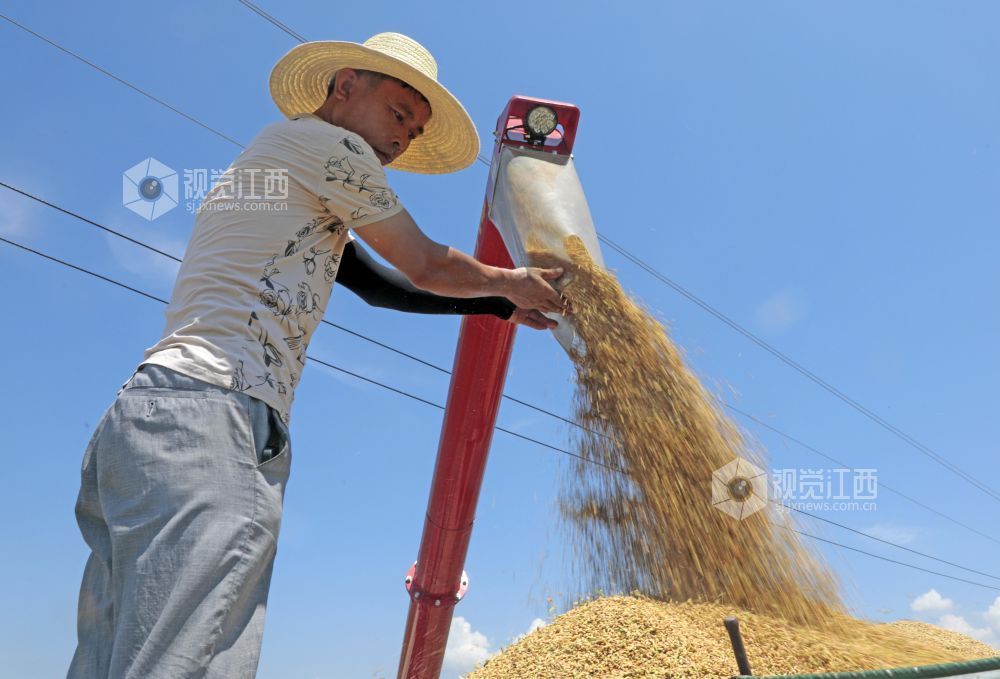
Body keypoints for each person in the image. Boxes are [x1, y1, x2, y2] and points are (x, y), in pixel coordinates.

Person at [69, 32, 566, 678]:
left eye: (414, 131)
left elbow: (376, 286)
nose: (401, 139)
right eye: (398, 113)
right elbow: (421, 261)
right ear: (344, 88)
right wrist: (510, 282)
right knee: (187, 661)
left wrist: (497, 307)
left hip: (142, 424)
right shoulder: (335, 149)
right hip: (216, 418)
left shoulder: (278, 165)